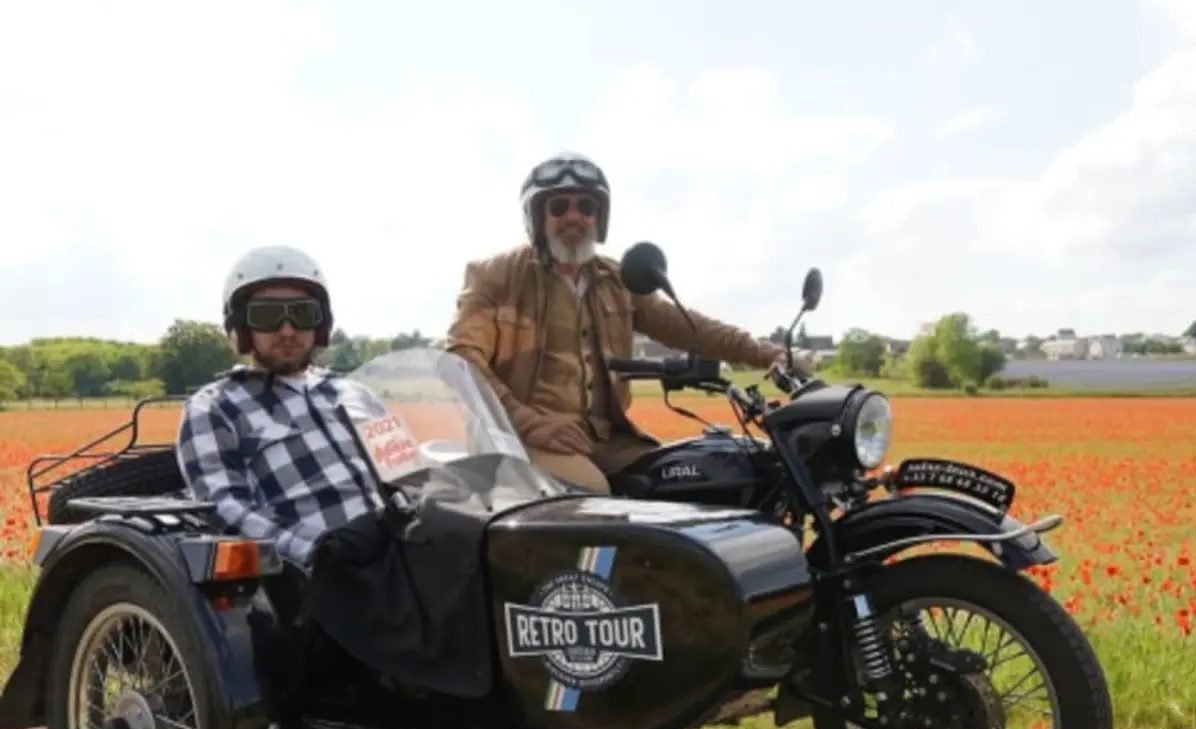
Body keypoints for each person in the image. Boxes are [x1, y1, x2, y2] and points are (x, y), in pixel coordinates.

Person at [445, 151, 813, 494]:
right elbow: (461, 358)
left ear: (599, 217)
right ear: (537, 217)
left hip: (609, 441)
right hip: (518, 438)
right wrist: (527, 421)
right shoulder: (495, 277)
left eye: (586, 207)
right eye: (559, 206)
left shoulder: (618, 280)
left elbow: (685, 325)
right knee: (597, 499)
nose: (574, 217)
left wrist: (767, 353)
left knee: (695, 483)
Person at [175, 245, 388, 573]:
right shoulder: (216, 406)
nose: (287, 329)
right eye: (267, 316)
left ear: (321, 324)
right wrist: (318, 551)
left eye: (302, 314)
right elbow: (222, 507)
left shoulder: (355, 393)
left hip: (402, 557)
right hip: (323, 579)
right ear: (242, 328)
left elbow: (406, 475)